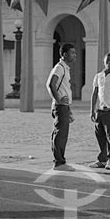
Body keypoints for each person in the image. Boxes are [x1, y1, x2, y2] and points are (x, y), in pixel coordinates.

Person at [46, 43, 77, 171]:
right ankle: (59, 163)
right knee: (61, 134)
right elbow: (50, 84)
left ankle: (59, 160)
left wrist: (68, 108)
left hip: (64, 106)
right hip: (60, 106)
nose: (75, 55)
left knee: (61, 133)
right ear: (64, 54)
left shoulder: (64, 68)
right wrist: (58, 99)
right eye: (72, 53)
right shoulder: (60, 68)